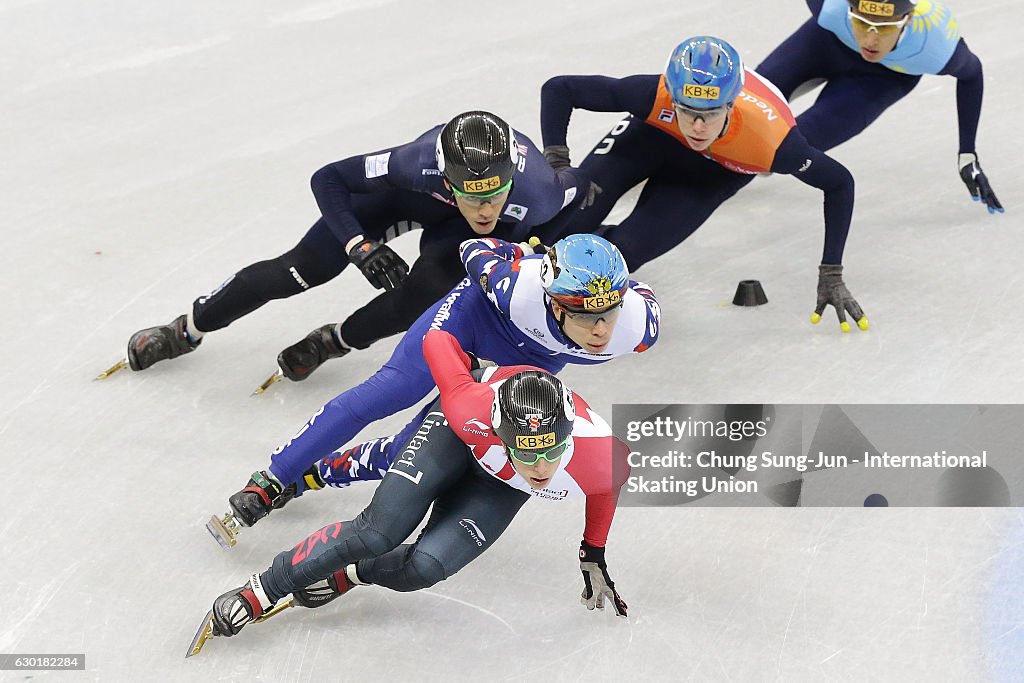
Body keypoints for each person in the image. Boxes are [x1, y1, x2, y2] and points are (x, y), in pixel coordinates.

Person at [194, 331, 630, 650]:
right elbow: (437, 339)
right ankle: (262, 588)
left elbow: (605, 491)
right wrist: (470, 364)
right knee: (377, 532)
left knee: (426, 567)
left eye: (552, 451)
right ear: (501, 434)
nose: (541, 467)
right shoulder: (468, 406)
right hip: (457, 437)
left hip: (498, 483)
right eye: (527, 452)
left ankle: (351, 574)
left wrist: (592, 552)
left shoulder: (601, 459)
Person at [220, 233, 659, 536]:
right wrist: (513, 251)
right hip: (472, 319)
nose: (599, 330)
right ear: (553, 304)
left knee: (413, 448)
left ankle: (314, 475)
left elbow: (640, 296)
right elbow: (472, 248)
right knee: (392, 391)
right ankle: (272, 479)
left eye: (609, 314)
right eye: (583, 315)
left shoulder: (638, 327)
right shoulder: (515, 287)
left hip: (529, 360)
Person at [120, 111, 590, 373]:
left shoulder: (540, 195)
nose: (485, 210)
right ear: (448, 181)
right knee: (303, 267)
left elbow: (580, 185)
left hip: (456, 233)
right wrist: (358, 245)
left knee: (424, 294)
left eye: (495, 195)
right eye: (472, 195)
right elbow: (328, 178)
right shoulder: (416, 163)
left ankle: (335, 341)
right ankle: (187, 328)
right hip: (404, 198)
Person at [540, 35, 868, 331]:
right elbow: (559, 89)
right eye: (688, 110)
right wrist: (559, 164)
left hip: (712, 175)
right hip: (652, 137)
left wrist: (831, 271)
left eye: (710, 113)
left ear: (731, 103)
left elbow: (839, 183)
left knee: (622, 256)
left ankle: (593, 246)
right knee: (561, 219)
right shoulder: (652, 94)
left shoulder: (776, 144)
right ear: (672, 96)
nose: (698, 126)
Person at [757, 0, 1002, 214]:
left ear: (908, 19)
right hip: (828, 42)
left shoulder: (934, 45)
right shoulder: (831, 7)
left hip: (883, 79)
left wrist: (967, 153)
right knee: (744, 104)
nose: (870, 40)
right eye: (862, 22)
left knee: (783, 149)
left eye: (885, 28)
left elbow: (972, 74)